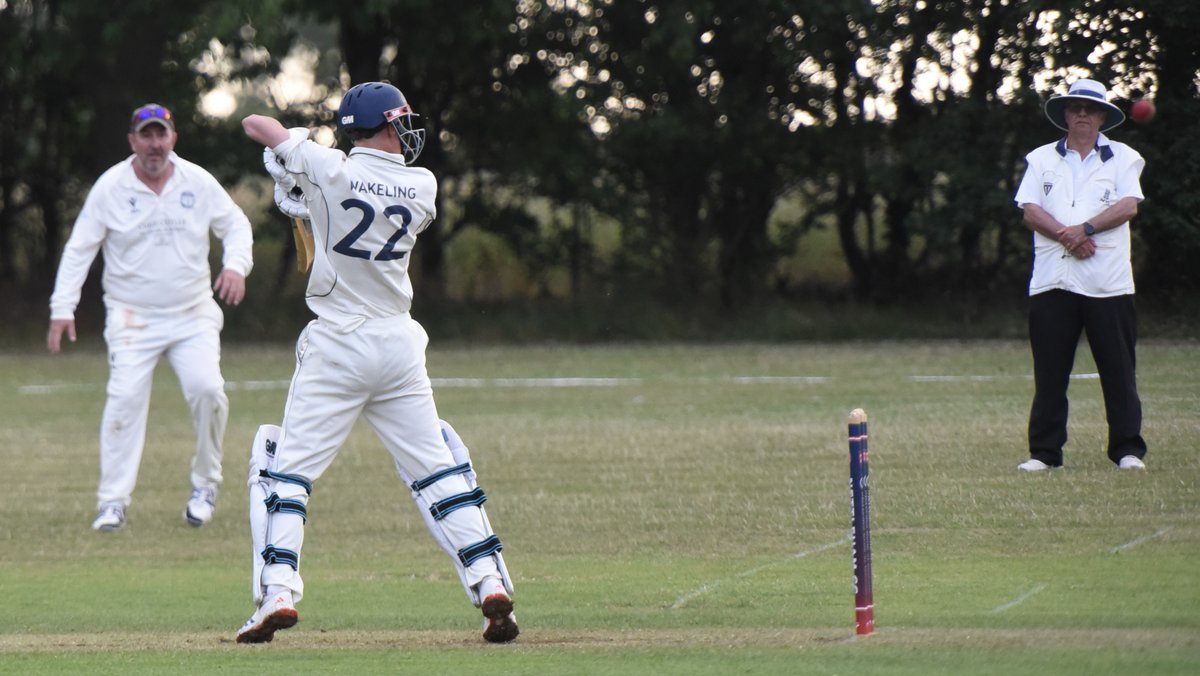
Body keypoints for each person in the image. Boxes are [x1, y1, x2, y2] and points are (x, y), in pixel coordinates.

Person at [236, 81, 518, 644]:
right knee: (438, 470)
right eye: (403, 119)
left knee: (283, 468)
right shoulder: (423, 184)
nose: (410, 128)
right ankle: (488, 582)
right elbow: (347, 197)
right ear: (386, 124)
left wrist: (291, 157)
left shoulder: (330, 167)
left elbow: (254, 124)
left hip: (338, 344)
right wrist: (305, 178)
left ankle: (279, 591)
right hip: (398, 347)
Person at [47, 103, 254, 530]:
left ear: (173, 138)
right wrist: (62, 307)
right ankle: (112, 502)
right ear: (132, 141)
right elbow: (80, 248)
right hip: (131, 317)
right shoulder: (111, 187)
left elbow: (235, 225)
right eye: (146, 135)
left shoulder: (196, 181)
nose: (154, 144)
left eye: (162, 135)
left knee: (208, 390)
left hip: (192, 312)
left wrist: (235, 265)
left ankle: (205, 485)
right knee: (123, 402)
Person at [1013, 78, 1148, 472]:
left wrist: (1084, 230)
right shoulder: (1041, 159)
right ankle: (1044, 453)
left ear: (1102, 116)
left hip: (1108, 283)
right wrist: (1066, 235)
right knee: (1050, 373)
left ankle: (1127, 450)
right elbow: (1030, 210)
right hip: (1053, 281)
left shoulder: (1125, 157)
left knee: (1119, 371)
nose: (1083, 114)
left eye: (1090, 109)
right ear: (1066, 116)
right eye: (1076, 108)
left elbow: (1128, 207)